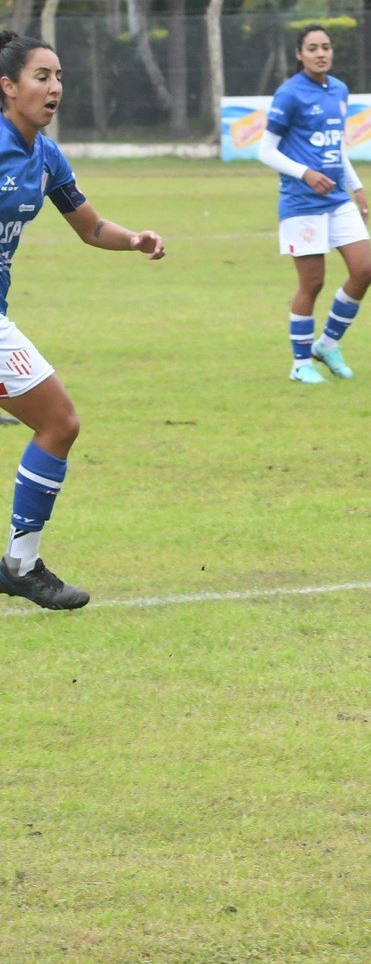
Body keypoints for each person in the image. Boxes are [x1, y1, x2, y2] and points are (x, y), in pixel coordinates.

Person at [0, 30, 165, 610]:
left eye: (60, 76)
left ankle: (19, 564)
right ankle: (19, 564)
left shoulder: (45, 156)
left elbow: (90, 226)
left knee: (59, 424)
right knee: (60, 422)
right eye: (42, 76)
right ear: (7, 86)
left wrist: (134, 239)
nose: (55, 88)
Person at [260, 24, 371, 384]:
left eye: (325, 46)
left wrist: (356, 186)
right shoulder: (289, 94)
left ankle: (327, 344)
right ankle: (299, 365)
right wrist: (305, 174)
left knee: (364, 270)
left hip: (338, 199)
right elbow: (265, 150)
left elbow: (336, 145)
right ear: (300, 54)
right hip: (301, 203)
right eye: (312, 48)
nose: (320, 53)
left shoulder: (339, 89)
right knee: (312, 283)